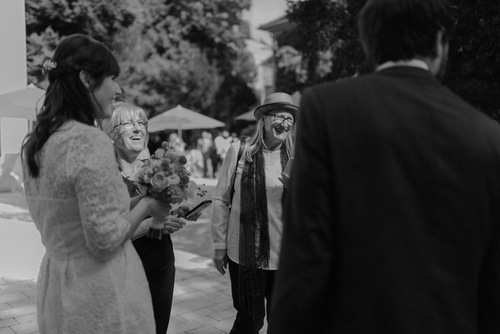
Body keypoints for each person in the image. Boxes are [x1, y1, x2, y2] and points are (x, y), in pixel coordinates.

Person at [268, 0, 500, 333]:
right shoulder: (489, 137)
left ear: (370, 45)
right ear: (439, 42)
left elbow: (304, 259)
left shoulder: (326, 109)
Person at [21, 34, 171, 333]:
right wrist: (149, 207)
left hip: (58, 283)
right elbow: (103, 241)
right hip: (100, 289)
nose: (117, 89)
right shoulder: (89, 141)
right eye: (111, 78)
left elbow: (76, 214)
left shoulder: (35, 143)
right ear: (86, 79)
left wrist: (135, 201)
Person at [211, 92, 298, 334]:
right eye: (280, 116)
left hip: (285, 256)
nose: (286, 123)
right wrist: (219, 245)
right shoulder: (240, 150)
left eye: (290, 118)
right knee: (250, 321)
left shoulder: (295, 159)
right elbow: (221, 199)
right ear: (264, 119)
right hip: (245, 252)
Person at [104, 101, 186, 334]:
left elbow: (158, 211)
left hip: (160, 267)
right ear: (111, 132)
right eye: (129, 123)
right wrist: (152, 224)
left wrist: (174, 213)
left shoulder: (153, 167)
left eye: (142, 123)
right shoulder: (104, 174)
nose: (139, 128)